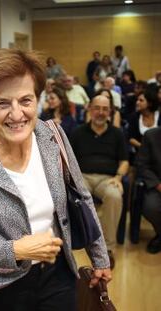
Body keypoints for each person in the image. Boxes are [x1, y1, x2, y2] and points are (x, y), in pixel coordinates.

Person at [0, 49, 111, 311]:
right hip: (4, 285)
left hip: (60, 273)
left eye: (25, 100)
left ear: (38, 99)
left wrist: (100, 258)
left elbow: (83, 197)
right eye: (2, 103)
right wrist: (16, 250)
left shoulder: (52, 136)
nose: (17, 114)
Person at [71, 95, 129, 268]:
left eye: (105, 109)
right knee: (78, 195)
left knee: (115, 195)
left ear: (110, 112)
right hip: (83, 177)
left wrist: (118, 177)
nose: (100, 112)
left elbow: (125, 161)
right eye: (97, 108)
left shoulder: (117, 134)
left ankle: (107, 248)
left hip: (108, 178)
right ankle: (84, 242)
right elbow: (68, 160)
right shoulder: (78, 132)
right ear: (90, 109)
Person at [136, 127, 161, 253]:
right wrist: (158, 185)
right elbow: (142, 165)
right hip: (156, 184)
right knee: (151, 207)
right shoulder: (151, 135)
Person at [127, 88, 160, 164]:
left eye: (141, 100)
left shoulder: (159, 116)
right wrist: (144, 147)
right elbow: (131, 138)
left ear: (150, 103)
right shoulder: (134, 117)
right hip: (141, 153)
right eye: (137, 100)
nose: (137, 102)